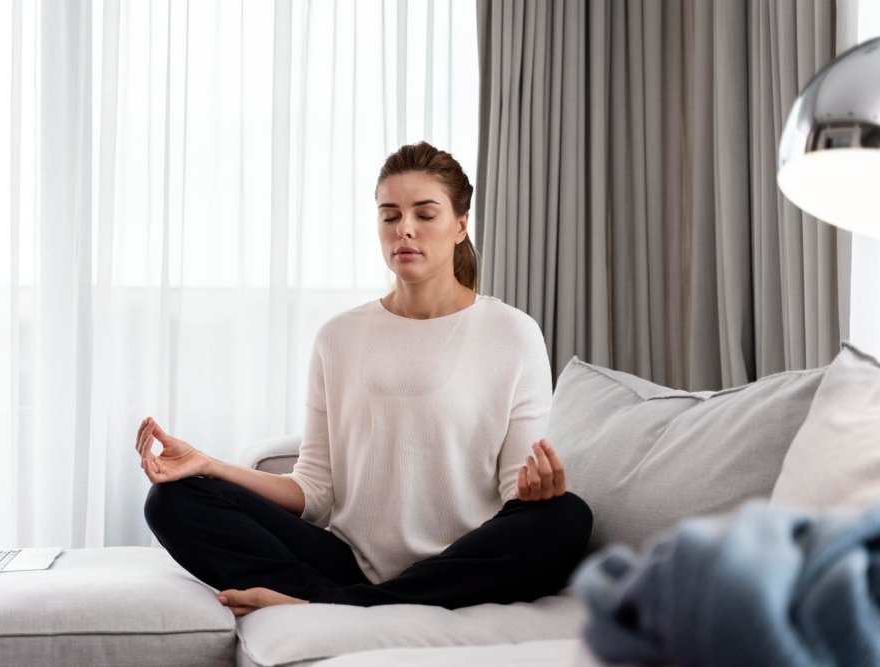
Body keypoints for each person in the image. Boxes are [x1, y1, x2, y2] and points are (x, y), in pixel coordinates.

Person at [139, 142, 593, 617]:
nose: (405, 230)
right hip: (348, 562)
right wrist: (208, 463)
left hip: (460, 565)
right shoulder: (338, 337)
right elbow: (314, 492)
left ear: (461, 225)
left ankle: (321, 603)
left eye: (425, 213)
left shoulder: (512, 334)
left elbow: (512, 497)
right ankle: (345, 599)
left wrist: (536, 493)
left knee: (565, 517)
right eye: (390, 215)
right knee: (173, 500)